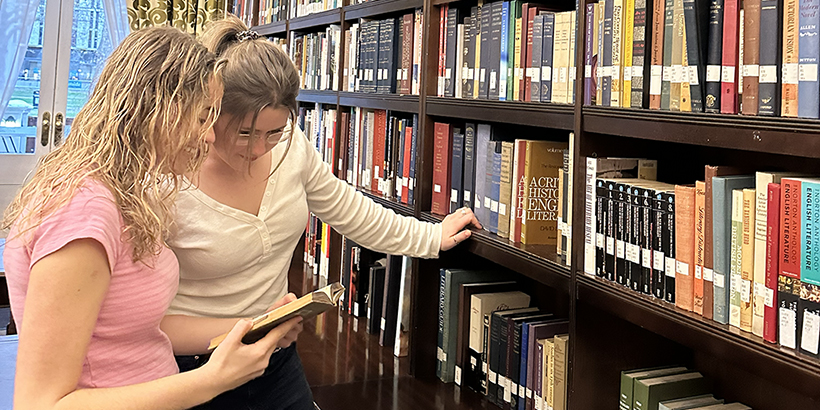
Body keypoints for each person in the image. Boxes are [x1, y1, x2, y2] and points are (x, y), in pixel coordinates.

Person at [159, 15, 481, 410]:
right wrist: (245, 330)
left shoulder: (291, 147)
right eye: (245, 133)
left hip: (273, 358)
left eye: (273, 132)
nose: (260, 149)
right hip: (190, 368)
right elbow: (144, 317)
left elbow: (348, 209)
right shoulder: (169, 175)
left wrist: (430, 237)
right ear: (210, 113)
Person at [2, 26, 302, 410]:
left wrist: (253, 323)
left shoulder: (125, 193)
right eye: (202, 118)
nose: (210, 138)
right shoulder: (83, 213)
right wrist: (212, 380)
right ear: (161, 112)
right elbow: (43, 403)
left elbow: (141, 330)